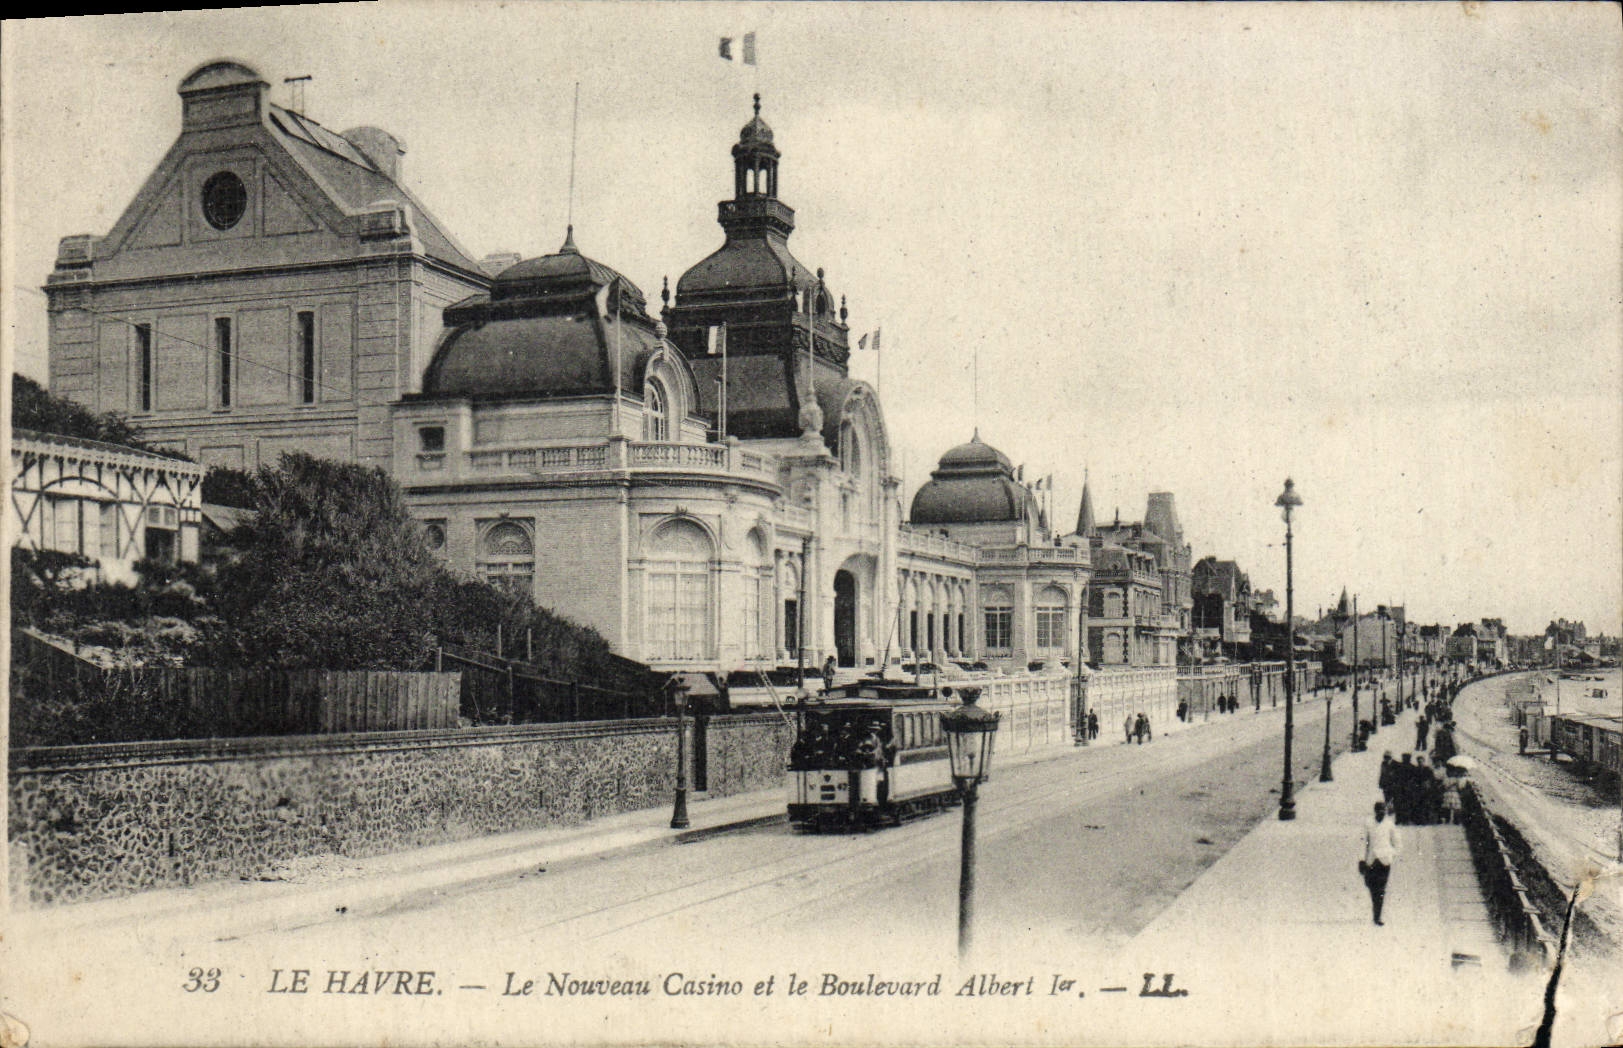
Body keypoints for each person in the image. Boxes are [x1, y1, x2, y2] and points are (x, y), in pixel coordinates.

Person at [1361, 799, 1401, 925]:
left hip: (1384, 861)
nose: (1381, 813)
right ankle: (1376, 911)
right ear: (1375, 812)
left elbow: (1398, 843)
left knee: (1381, 888)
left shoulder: (1389, 824)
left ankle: (1377, 916)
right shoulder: (1368, 824)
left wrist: (1391, 853)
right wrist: (1361, 859)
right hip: (1371, 860)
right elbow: (1363, 842)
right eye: (1379, 811)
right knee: (1372, 886)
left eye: (1383, 811)